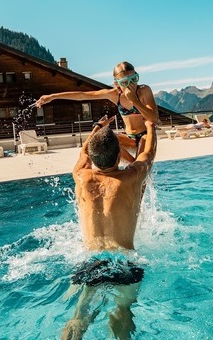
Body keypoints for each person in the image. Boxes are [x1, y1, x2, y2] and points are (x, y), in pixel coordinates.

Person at [61, 115, 157, 340]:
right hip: (123, 262)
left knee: (78, 316)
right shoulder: (130, 177)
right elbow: (148, 154)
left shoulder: (81, 177)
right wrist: (151, 127)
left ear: (94, 159)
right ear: (118, 157)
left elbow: (83, 153)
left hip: (91, 262)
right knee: (123, 312)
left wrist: (97, 127)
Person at [36, 61, 159, 161]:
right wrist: (52, 97)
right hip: (129, 138)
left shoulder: (144, 91)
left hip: (145, 135)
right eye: (125, 82)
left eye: (134, 79)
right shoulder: (114, 95)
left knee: (139, 169)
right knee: (107, 142)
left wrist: (135, 100)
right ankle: (134, 166)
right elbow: (83, 95)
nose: (131, 84)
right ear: (116, 84)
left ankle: (137, 168)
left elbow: (154, 118)